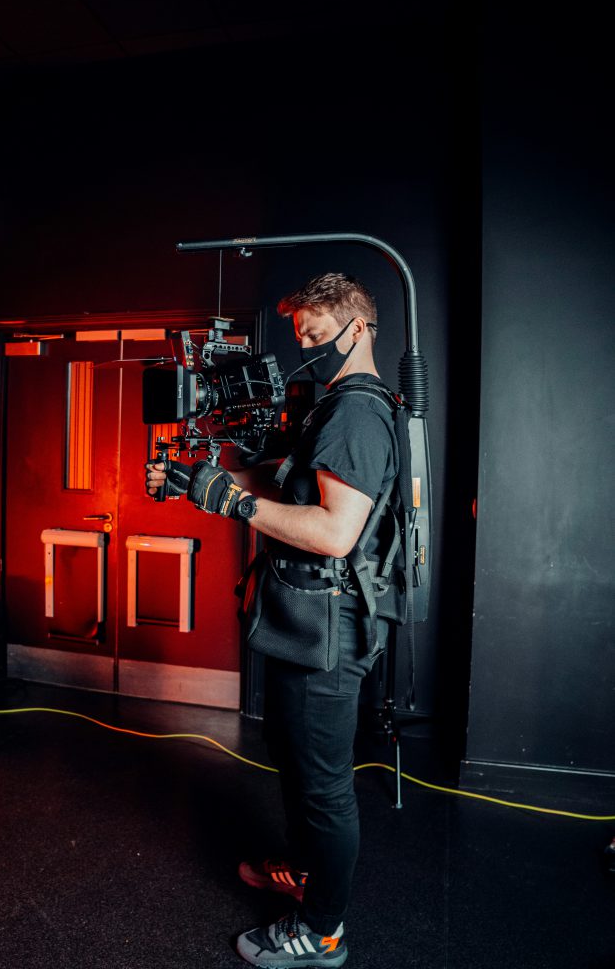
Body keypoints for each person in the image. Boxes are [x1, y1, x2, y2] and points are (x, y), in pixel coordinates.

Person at [146, 272, 399, 967]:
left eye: (316, 336)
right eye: (300, 337)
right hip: (298, 620)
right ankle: (305, 871)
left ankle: (321, 931)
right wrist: (203, 481)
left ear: (357, 329)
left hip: (328, 634)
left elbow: (333, 531)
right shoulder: (332, 407)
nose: (307, 351)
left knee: (323, 788)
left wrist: (233, 505)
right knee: (295, 766)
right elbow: (288, 482)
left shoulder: (357, 413)